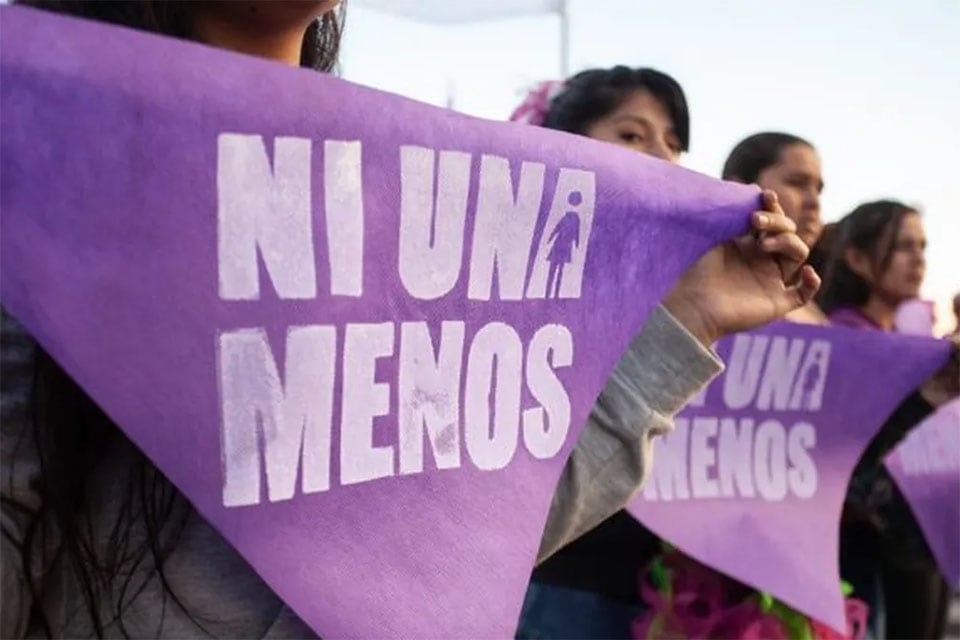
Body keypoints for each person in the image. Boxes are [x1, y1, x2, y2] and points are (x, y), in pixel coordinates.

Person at [0, 11, 816, 637]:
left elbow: (466, 539)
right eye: (634, 137)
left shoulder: (406, 210)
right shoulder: (34, 158)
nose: (661, 158)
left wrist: (689, 319)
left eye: (673, 143)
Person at [817, 200, 958, 639]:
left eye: (922, 246)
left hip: (914, 541)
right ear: (857, 259)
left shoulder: (898, 340)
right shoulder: (843, 336)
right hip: (866, 547)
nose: (918, 259)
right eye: (901, 246)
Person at [723, 132, 827, 324]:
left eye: (818, 190)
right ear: (738, 187)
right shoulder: (682, 281)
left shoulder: (815, 317)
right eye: (797, 183)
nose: (814, 203)